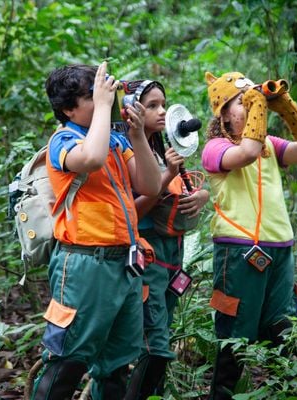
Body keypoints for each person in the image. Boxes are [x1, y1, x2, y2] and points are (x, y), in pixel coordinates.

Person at [30, 62, 161, 400]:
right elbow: (90, 159)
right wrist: (105, 107)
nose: (103, 98)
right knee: (67, 361)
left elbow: (149, 184)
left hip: (125, 266)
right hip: (84, 266)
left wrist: (136, 137)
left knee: (116, 365)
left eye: (102, 93)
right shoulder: (63, 141)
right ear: (67, 108)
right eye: (91, 96)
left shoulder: (116, 142)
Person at [201, 71, 297, 399]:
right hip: (238, 253)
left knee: (282, 331)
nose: (252, 106)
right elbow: (246, 154)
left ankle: (286, 392)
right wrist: (258, 106)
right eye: (242, 102)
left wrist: (285, 106)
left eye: (252, 100)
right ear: (223, 113)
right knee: (235, 340)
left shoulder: (268, 145)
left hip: (279, 249)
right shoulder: (215, 148)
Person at [122, 80, 209, 400]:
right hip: (147, 251)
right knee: (155, 343)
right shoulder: (124, 150)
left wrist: (200, 196)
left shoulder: (162, 149)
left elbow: (182, 191)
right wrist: (167, 177)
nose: (161, 112)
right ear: (133, 108)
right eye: (153, 105)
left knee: (164, 331)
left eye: (164, 104)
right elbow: (130, 211)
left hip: (174, 251)